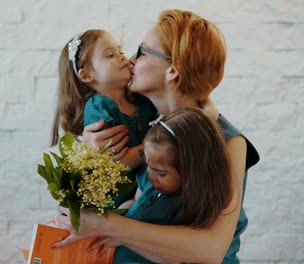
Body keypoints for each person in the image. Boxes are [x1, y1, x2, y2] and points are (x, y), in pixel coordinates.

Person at [54, 9, 260, 263]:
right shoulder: (140, 122)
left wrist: (106, 225)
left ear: (173, 70)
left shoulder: (228, 140)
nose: (129, 59)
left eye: (141, 52)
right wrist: (87, 153)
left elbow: (211, 249)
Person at [50, 29, 157, 205]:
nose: (122, 57)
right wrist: (158, 149)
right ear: (86, 75)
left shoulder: (141, 101)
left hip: (147, 185)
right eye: (110, 55)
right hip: (117, 198)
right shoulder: (100, 107)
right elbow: (117, 160)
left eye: (120, 51)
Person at [112, 108, 232, 263]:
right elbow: (134, 203)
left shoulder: (186, 205)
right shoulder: (152, 182)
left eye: (161, 173)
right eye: (148, 165)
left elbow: (169, 259)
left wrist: (122, 236)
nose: (151, 176)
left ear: (191, 173)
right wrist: (115, 217)